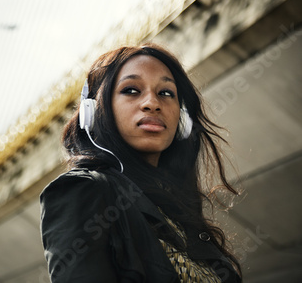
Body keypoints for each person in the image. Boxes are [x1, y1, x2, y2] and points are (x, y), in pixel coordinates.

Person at [40, 44, 242, 282]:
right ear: (94, 111)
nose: (152, 103)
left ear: (183, 118)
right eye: (132, 90)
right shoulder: (83, 190)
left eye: (166, 93)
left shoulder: (177, 212)